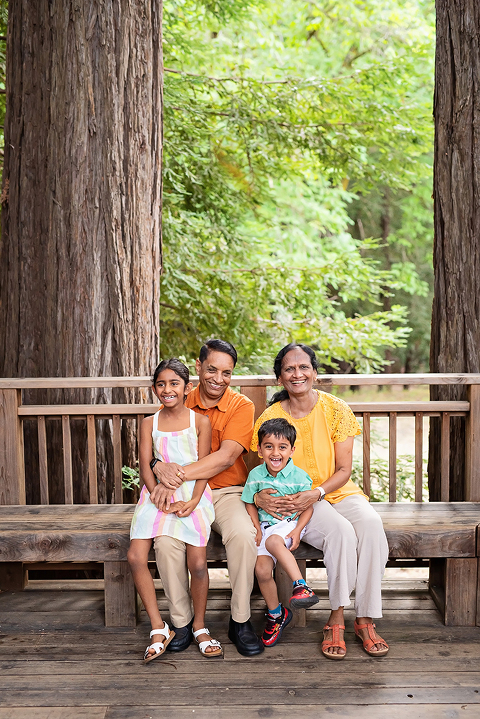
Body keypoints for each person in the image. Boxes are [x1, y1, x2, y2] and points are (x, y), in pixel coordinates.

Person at [251, 343, 389, 660]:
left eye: (303, 367)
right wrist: (261, 495)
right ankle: (336, 618)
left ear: (314, 372)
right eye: (289, 369)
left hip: (335, 490)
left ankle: (365, 618)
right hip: (299, 501)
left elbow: (343, 470)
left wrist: (318, 491)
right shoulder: (270, 418)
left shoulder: (335, 409)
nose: (297, 373)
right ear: (280, 377)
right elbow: (260, 468)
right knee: (340, 532)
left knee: (370, 525)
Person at [150, 339, 263, 656]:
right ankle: (182, 622)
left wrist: (177, 472)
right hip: (183, 493)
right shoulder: (178, 397)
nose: (218, 378)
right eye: (211, 369)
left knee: (243, 534)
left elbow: (227, 457)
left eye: (227, 373)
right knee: (166, 544)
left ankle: (239, 620)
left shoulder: (241, 406)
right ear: (198, 367)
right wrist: (157, 465)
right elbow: (157, 447)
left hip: (226, 491)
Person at [127, 358, 222, 662]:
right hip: (155, 495)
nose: (167, 389)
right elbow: (145, 465)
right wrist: (154, 489)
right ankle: (159, 626)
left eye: (174, 383)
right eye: (161, 384)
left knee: (197, 564)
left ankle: (199, 625)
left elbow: (204, 467)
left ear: (187, 387)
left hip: (193, 493)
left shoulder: (200, 422)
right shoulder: (148, 423)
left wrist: (195, 500)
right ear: (154, 389)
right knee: (135, 556)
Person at [242, 417, 319, 647]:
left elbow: (308, 508)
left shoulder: (299, 478)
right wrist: (255, 527)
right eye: (269, 446)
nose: (275, 453)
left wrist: (297, 530)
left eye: (282, 447)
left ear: (292, 450)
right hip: (264, 528)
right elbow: (248, 502)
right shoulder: (255, 475)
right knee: (262, 570)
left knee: (275, 542)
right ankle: (277, 614)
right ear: (259, 450)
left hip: (287, 526)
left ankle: (301, 586)